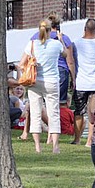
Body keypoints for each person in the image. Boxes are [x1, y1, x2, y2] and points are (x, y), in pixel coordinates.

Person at [20, 19, 67, 153]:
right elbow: (65, 54)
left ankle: (37, 147)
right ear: (50, 30)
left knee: (35, 113)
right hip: (51, 81)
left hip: (35, 81)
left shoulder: (32, 44)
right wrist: (60, 39)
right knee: (54, 113)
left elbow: (22, 63)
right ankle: (55, 146)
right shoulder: (56, 44)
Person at [30, 13, 75, 106]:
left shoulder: (35, 37)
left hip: (41, 71)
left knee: (42, 105)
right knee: (60, 104)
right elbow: (70, 61)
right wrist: (73, 79)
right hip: (60, 72)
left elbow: (31, 55)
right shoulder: (64, 38)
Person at [73, 18, 95, 146]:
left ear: (84, 28)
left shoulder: (76, 43)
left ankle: (77, 139)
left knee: (79, 112)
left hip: (81, 82)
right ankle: (90, 140)